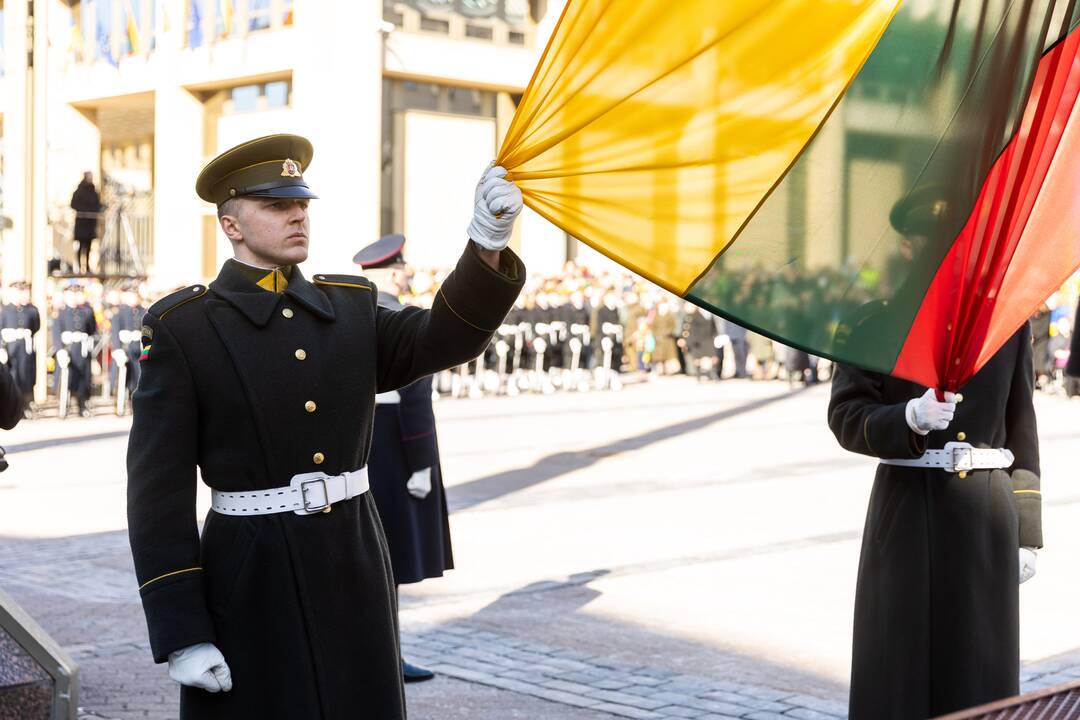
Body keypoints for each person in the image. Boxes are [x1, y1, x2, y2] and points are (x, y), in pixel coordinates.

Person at [125, 134, 525, 720]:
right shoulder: (186, 328)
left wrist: (485, 247)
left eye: (302, 203)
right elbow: (156, 492)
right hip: (249, 570)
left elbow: (445, 338)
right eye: (276, 206)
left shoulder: (352, 308)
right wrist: (181, 630)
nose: (297, 215)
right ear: (231, 225)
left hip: (352, 557)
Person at [828, 190, 1041, 719]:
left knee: (979, 667)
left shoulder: (1005, 325)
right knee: (898, 662)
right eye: (935, 244)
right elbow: (846, 416)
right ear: (907, 249)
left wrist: (1028, 531)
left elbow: (1022, 426)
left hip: (986, 515)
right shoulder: (871, 323)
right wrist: (906, 419)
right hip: (907, 504)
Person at [355, 233, 454, 684]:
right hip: (394, 448)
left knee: (366, 561)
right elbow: (417, 399)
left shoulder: (349, 316)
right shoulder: (400, 316)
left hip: (357, 447)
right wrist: (421, 463)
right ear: (393, 272)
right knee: (387, 562)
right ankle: (385, 660)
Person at [53, 284, 98, 418]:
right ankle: (63, 405)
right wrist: (60, 349)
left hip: (82, 349)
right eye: (71, 294)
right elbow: (56, 332)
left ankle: (82, 404)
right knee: (67, 378)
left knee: (83, 379)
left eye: (76, 294)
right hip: (68, 349)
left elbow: (92, 330)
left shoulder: (86, 311)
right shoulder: (60, 312)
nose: (74, 297)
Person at [1, 282, 41, 414]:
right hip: (10, 349)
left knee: (26, 378)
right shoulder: (5, 310)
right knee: (12, 378)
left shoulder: (32, 310)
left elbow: (35, 327)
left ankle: (26, 406)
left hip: (25, 349)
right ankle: (13, 409)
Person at [110, 284, 146, 409]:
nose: (133, 298)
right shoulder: (119, 312)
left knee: (137, 378)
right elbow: (114, 332)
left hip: (138, 349)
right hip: (125, 349)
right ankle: (119, 405)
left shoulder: (143, 311)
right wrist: (117, 349)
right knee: (122, 378)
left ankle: (134, 404)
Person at [71, 171, 103, 275]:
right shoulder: (79, 191)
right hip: (82, 224)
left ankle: (88, 267)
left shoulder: (93, 192)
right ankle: (80, 267)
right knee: (81, 246)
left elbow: (97, 205)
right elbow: (74, 204)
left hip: (90, 224)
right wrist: (84, 211)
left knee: (89, 246)